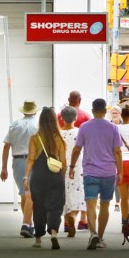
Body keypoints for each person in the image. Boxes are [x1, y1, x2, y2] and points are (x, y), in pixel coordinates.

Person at [69, 98, 123, 250]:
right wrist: (120, 172)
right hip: (108, 172)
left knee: (91, 203)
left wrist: (72, 166)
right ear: (105, 111)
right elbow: (117, 151)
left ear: (92, 111)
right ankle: (100, 236)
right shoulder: (113, 128)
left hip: (90, 172)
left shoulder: (84, 127)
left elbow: (77, 149)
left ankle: (92, 234)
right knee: (105, 205)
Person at [24, 107, 66, 249]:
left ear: (41, 120)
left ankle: (38, 239)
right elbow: (63, 161)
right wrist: (63, 176)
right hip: (55, 176)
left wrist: (26, 177)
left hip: (38, 177)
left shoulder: (35, 138)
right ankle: (54, 233)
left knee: (39, 207)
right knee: (55, 206)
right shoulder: (59, 138)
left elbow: (30, 159)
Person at [0, 100, 39, 238]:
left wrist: (4, 167)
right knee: (30, 194)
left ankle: (28, 224)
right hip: (32, 161)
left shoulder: (14, 125)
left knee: (24, 193)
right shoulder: (37, 125)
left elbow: (6, 146)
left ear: (23, 111)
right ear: (35, 111)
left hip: (16, 161)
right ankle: (26, 224)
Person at [57, 90, 91, 231]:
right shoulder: (85, 118)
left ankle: (66, 221)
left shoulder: (58, 124)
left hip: (61, 165)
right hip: (78, 164)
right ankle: (82, 220)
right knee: (81, 191)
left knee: (65, 191)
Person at [59, 106, 86, 237]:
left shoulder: (57, 134)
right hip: (77, 167)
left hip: (61, 168)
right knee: (77, 194)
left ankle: (66, 221)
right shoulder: (79, 132)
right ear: (75, 118)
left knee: (64, 194)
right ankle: (74, 218)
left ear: (61, 118)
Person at [109, 105, 122, 212]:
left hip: (121, 154)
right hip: (109, 155)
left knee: (118, 179)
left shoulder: (123, 125)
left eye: (116, 112)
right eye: (112, 112)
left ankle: (117, 202)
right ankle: (109, 200)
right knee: (111, 179)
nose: (114, 114)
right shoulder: (107, 125)